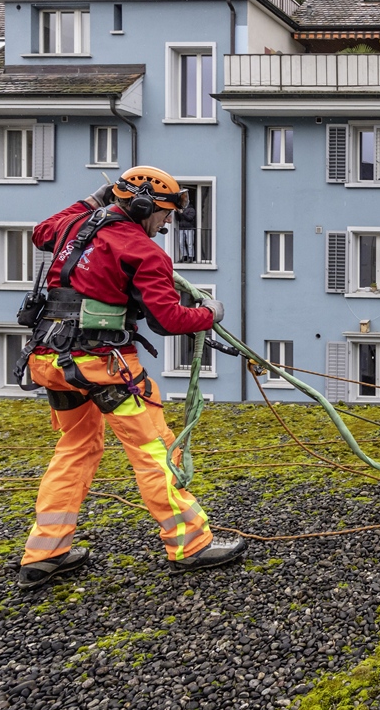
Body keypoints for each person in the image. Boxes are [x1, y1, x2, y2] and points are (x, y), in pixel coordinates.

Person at [15, 166, 247, 590]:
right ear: (142, 206)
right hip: (103, 366)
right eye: (162, 214)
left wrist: (91, 199)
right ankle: (190, 544)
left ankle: (45, 553)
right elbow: (167, 318)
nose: (165, 224)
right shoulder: (143, 251)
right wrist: (210, 314)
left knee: (75, 449)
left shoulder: (73, 225)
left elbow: (41, 230)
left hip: (51, 360)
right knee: (155, 450)